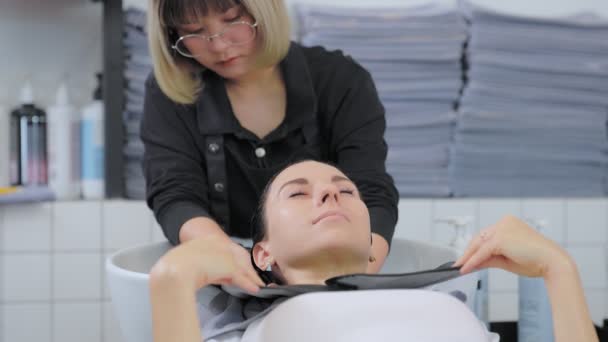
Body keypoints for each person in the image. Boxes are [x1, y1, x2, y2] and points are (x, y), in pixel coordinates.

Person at [149, 160, 599, 342]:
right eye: (299, 194)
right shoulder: (252, 330)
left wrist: (558, 270)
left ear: (371, 245)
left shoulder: (447, 308)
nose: (330, 195)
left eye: (346, 190)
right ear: (262, 254)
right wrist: (172, 282)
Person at [141, 0, 399, 279]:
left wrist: (354, 273)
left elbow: (371, 190)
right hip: (224, 276)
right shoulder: (170, 96)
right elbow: (175, 193)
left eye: (231, 20)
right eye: (193, 31)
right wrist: (224, 256)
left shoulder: (341, 81)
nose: (218, 45)